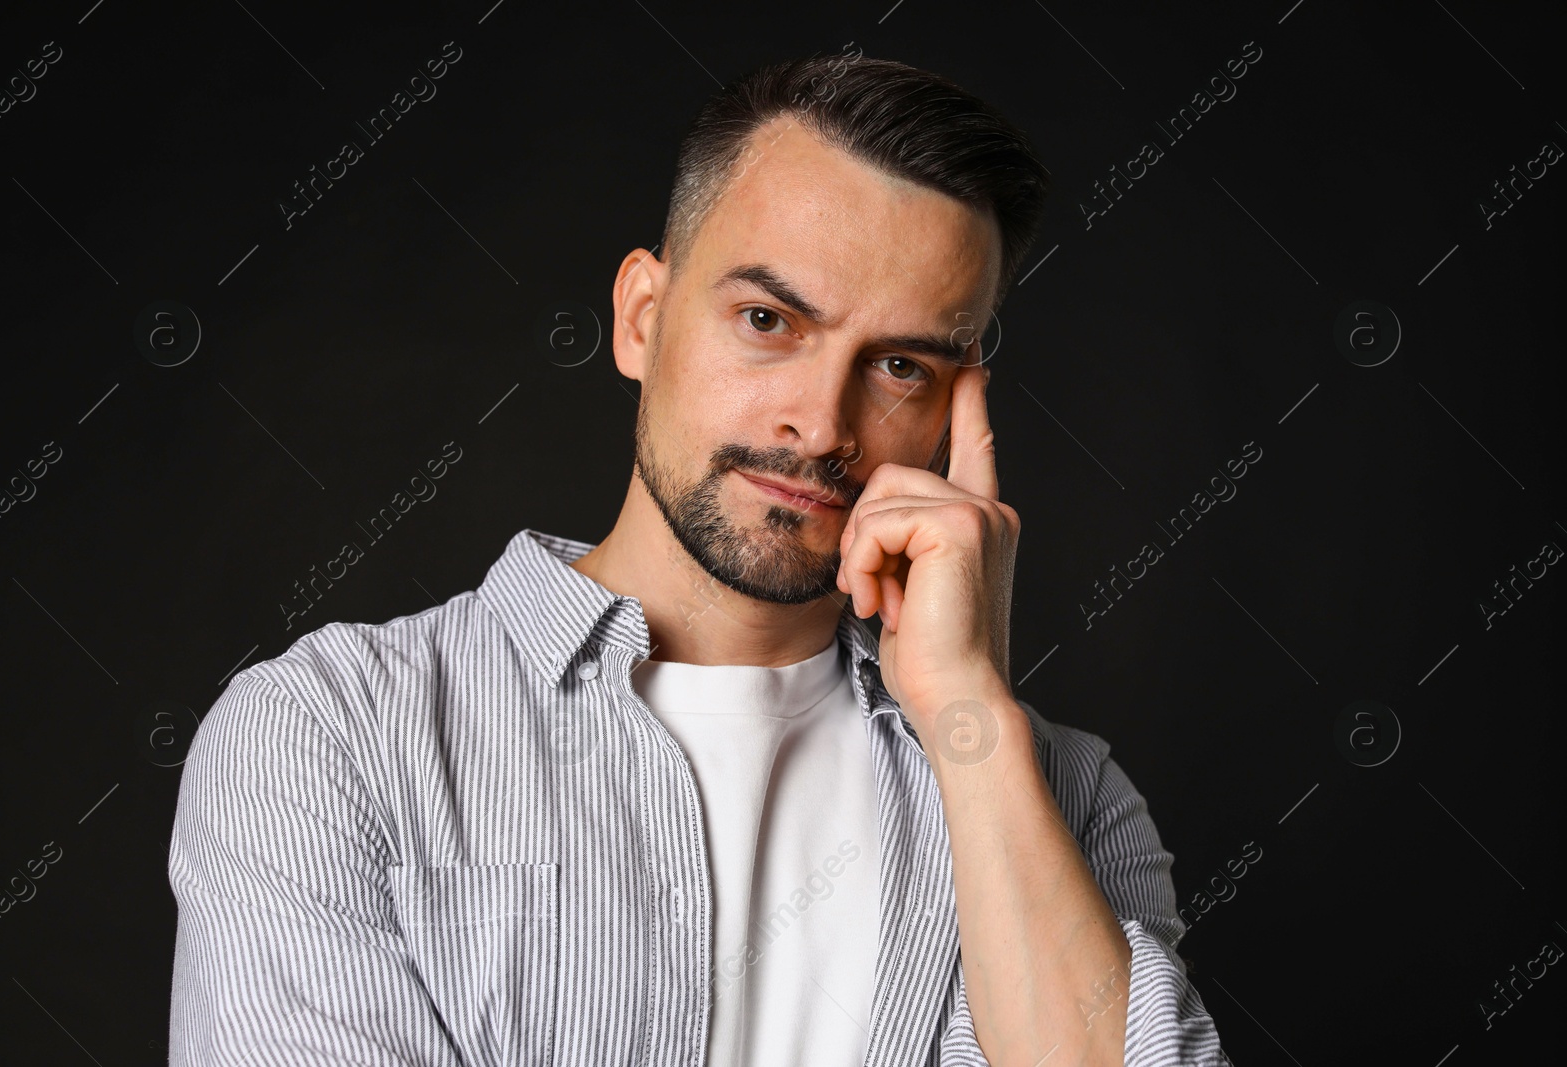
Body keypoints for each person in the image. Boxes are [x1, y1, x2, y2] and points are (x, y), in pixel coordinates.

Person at [167, 50, 1232, 1066]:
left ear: (957, 410)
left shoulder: (1061, 795)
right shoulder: (328, 731)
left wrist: (967, 710)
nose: (819, 425)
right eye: (767, 319)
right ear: (642, 318)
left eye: (899, 365)